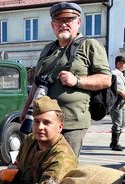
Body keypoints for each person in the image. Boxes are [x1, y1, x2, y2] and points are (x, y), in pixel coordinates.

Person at [20, 2, 112, 158]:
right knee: (39, 166)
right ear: (52, 25)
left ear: (78, 22)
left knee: (63, 169)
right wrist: (26, 110)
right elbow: (37, 82)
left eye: (68, 20)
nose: (63, 24)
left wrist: (76, 81)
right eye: (59, 21)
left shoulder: (90, 45)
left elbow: (105, 79)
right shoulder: (48, 49)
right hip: (43, 122)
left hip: (71, 122)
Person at [14, 96, 78, 184]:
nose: (40, 127)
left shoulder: (62, 156)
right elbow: (17, 168)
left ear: (60, 127)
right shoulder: (30, 140)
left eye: (46, 123)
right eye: (36, 121)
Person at [110, 55, 125, 151]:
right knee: (117, 122)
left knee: (123, 123)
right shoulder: (113, 73)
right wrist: (120, 92)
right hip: (116, 101)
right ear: (118, 63)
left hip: (123, 102)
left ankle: (114, 142)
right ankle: (114, 143)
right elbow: (108, 86)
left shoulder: (122, 75)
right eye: (124, 63)